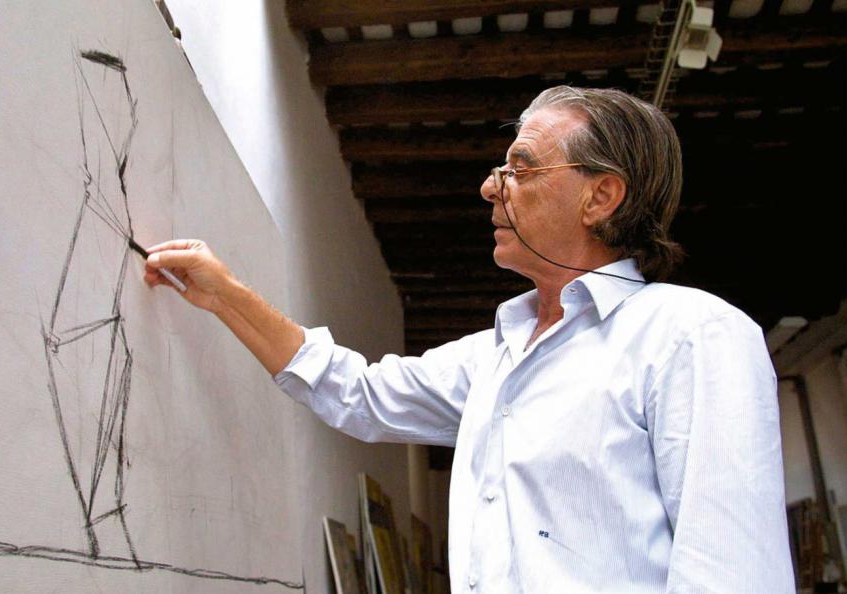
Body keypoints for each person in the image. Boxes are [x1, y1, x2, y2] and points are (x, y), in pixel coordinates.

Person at [143, 86, 794, 593]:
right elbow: (357, 393)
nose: (490, 187)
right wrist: (225, 295)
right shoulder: (495, 357)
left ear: (600, 197)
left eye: (521, 169)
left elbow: (733, 575)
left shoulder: (691, 336)